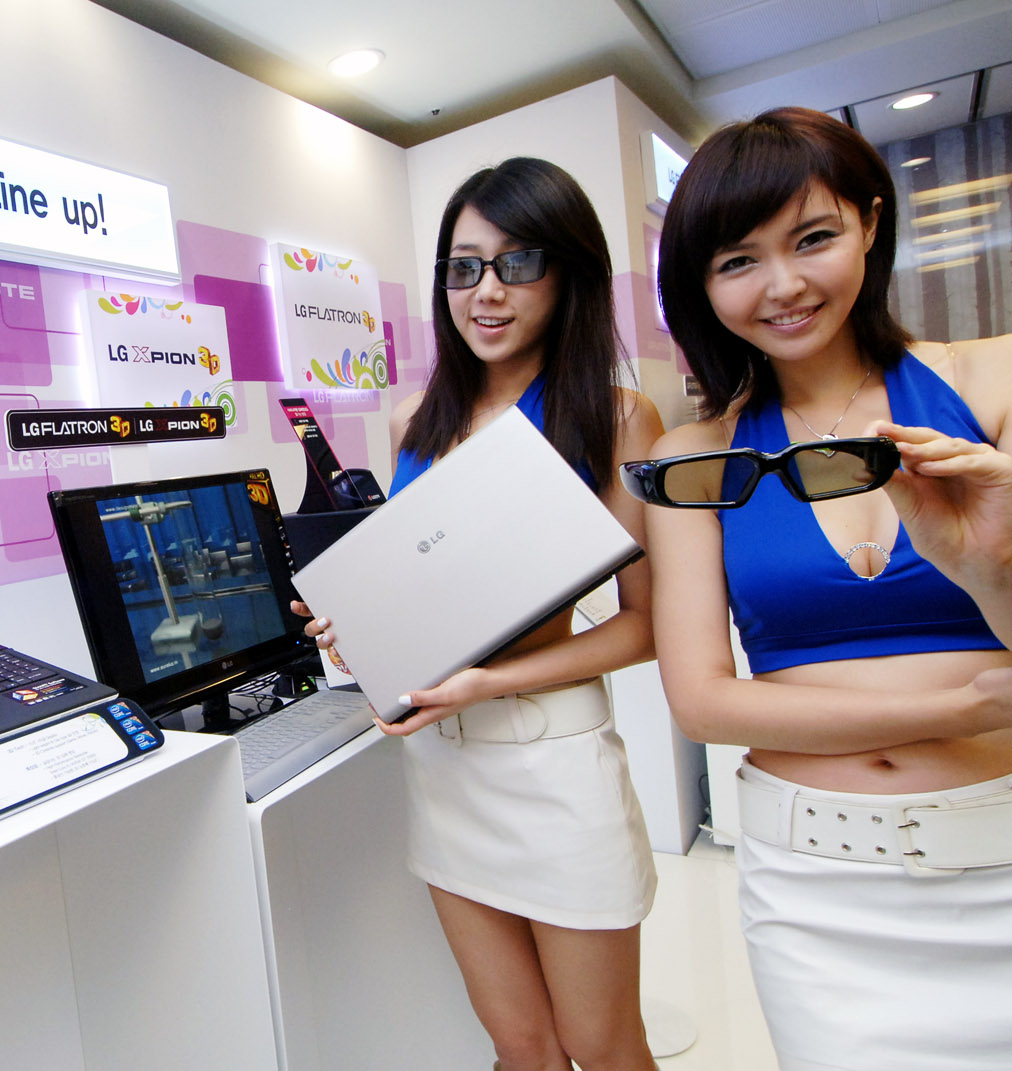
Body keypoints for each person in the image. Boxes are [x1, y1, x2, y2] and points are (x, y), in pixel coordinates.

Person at [647, 106, 1012, 1070]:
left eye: (813, 238)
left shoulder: (994, 383)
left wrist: (984, 568)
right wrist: (968, 704)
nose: (784, 285)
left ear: (871, 223)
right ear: (702, 285)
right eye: (739, 260)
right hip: (817, 890)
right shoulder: (695, 457)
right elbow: (702, 700)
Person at [296, 157, 664, 1071]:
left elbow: (643, 626)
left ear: (569, 273)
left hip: (553, 761)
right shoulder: (412, 422)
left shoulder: (619, 419)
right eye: (463, 268)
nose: (485, 291)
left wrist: (487, 681)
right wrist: (349, 626)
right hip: (443, 768)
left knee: (603, 1046)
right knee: (519, 1045)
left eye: (516, 262)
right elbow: (416, 592)